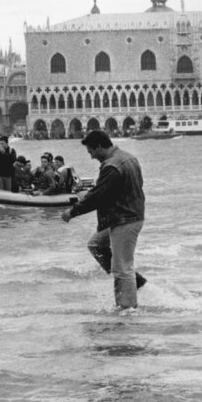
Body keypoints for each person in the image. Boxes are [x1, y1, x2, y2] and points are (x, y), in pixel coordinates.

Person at [61, 131, 147, 309]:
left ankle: (127, 309)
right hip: (127, 215)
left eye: (91, 151)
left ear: (99, 146)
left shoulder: (111, 166)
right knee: (96, 244)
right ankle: (134, 281)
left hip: (125, 220)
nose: (91, 156)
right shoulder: (129, 157)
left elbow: (98, 197)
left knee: (122, 267)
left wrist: (72, 212)